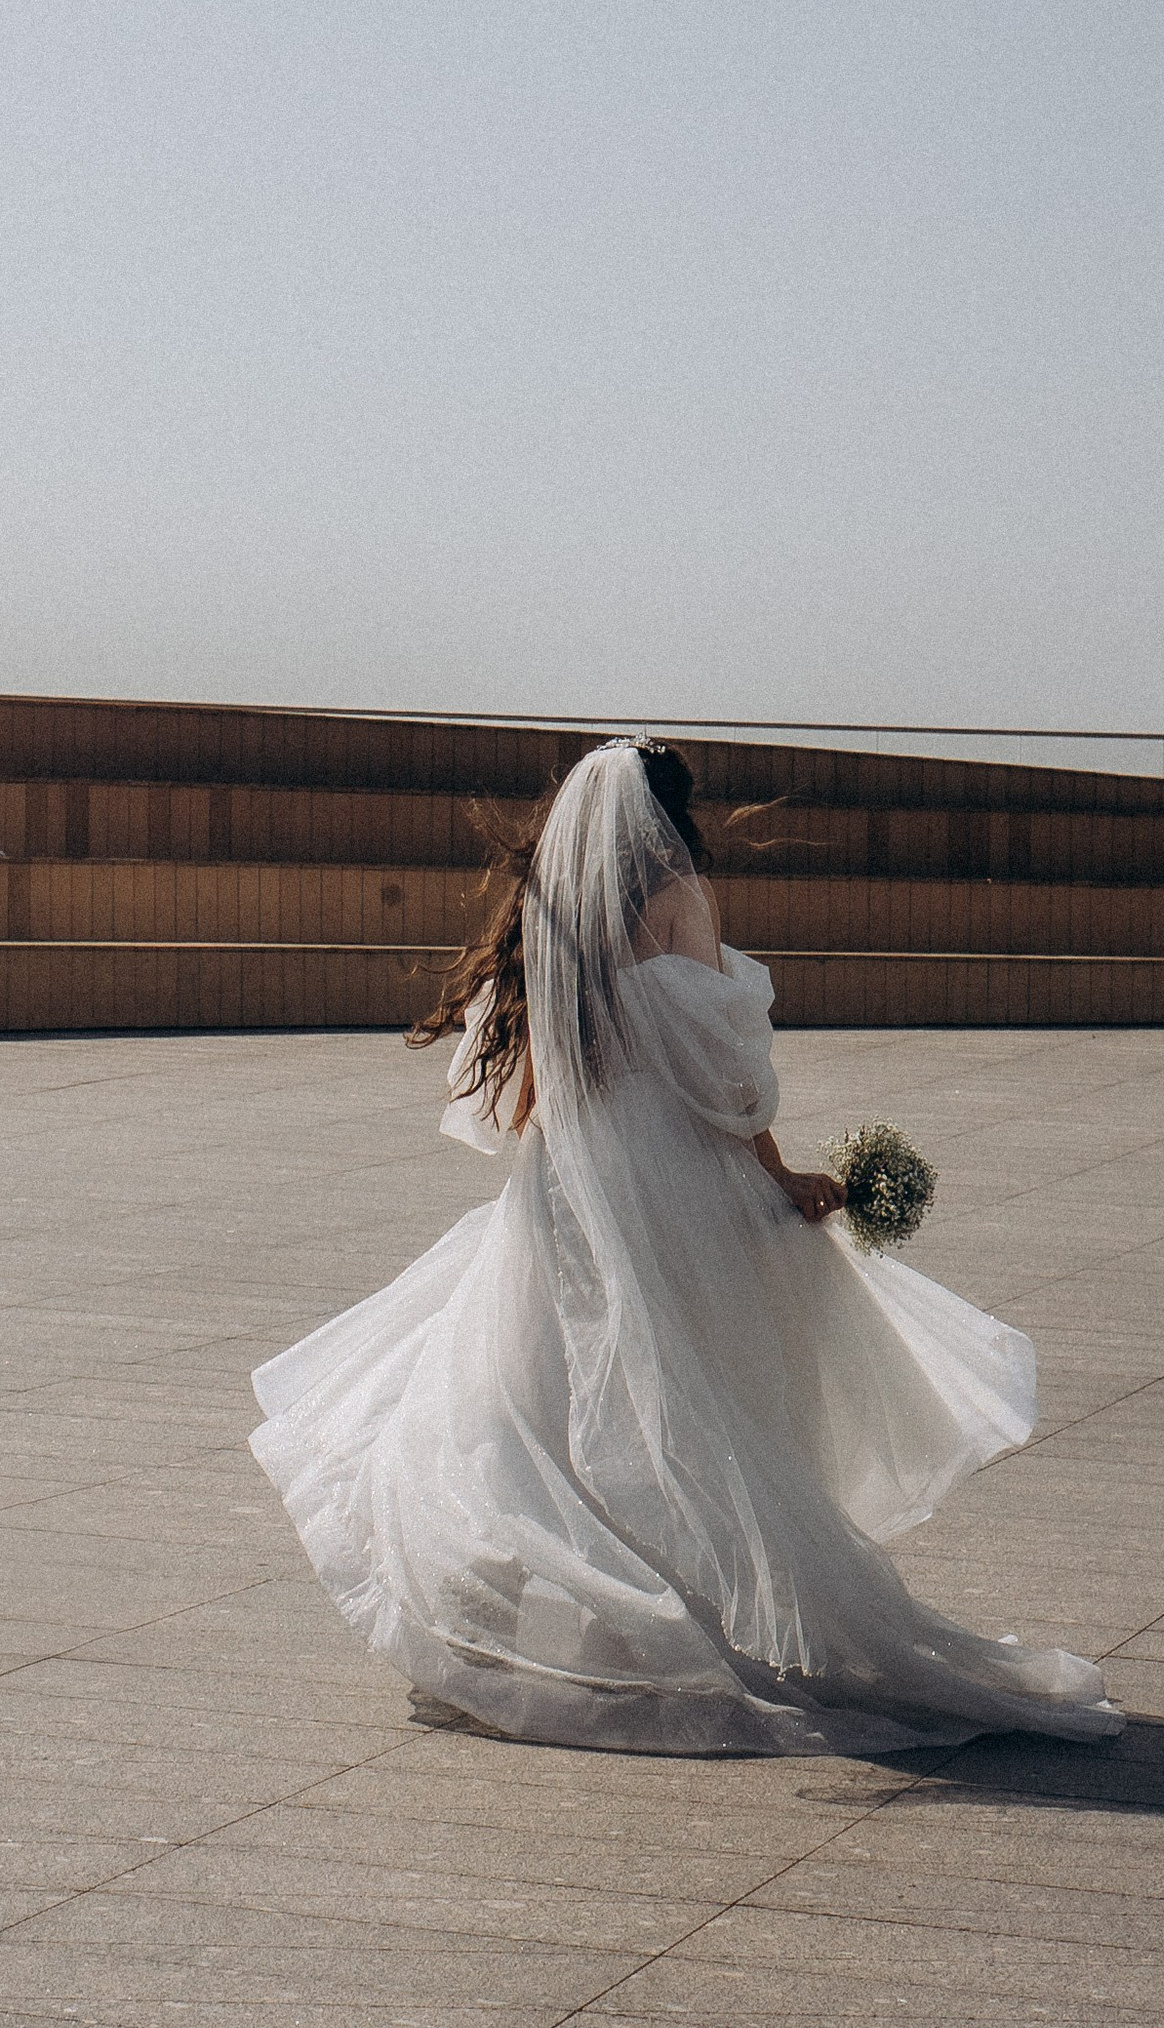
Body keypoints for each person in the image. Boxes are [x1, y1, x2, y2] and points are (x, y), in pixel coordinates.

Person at [251, 737, 1120, 1753]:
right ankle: (701, 1617)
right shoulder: (679, 901)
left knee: (534, 1391)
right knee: (692, 1395)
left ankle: (513, 1629)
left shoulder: (555, 908)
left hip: (566, 1176)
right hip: (665, 1169)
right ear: (669, 818)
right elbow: (726, 1075)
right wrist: (777, 1168)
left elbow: (539, 1073)